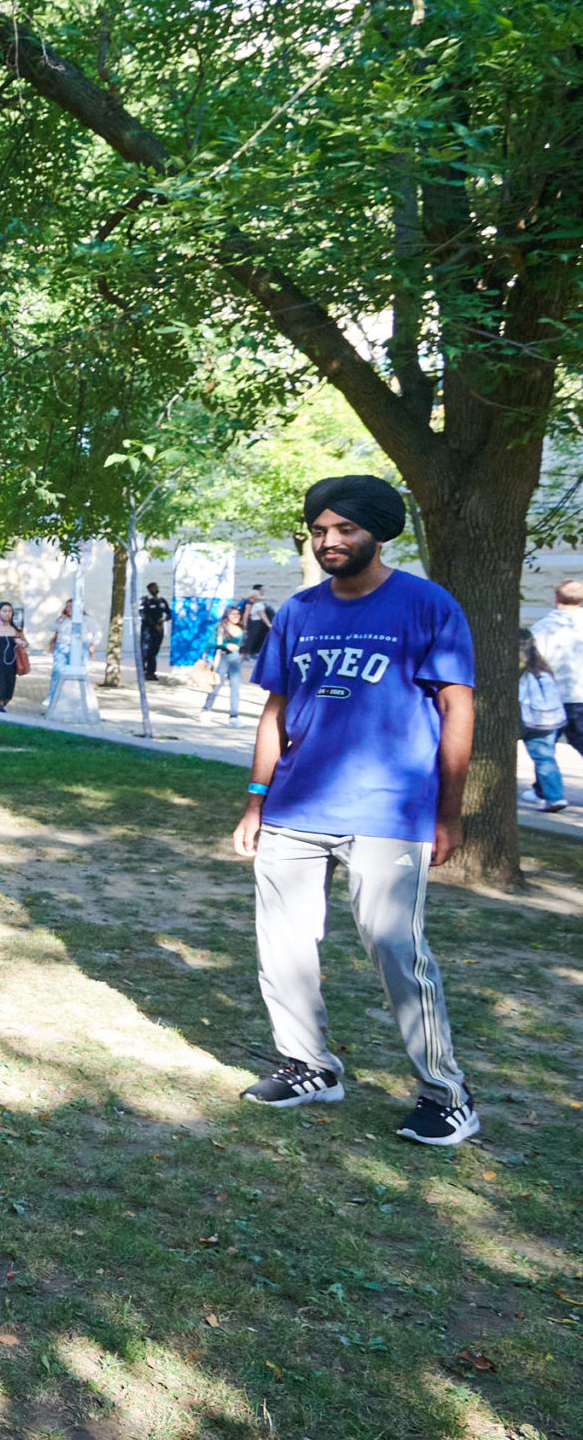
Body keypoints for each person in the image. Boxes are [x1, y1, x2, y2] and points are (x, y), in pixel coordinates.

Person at [234, 474, 479, 1148]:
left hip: (389, 811)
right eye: (319, 530)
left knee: (396, 946)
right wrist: (256, 800)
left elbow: (458, 708)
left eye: (343, 529)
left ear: (377, 532)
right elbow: (275, 711)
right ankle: (309, 1064)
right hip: (294, 805)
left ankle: (446, 1092)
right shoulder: (301, 611)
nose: (328, 541)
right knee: (281, 944)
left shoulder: (427, 605)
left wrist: (449, 813)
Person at [534, 578, 583, 763]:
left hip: (551, 696)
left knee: (544, 749)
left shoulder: (542, 628)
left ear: (556, 598)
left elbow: (535, 663)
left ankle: (544, 789)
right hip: (581, 696)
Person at [520, 628, 568, 812]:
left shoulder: (519, 673)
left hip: (529, 721)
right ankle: (553, 795)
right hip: (550, 721)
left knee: (542, 758)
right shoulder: (543, 670)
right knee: (546, 758)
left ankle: (553, 796)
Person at [42, 598, 100, 724]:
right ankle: (52, 697)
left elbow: (97, 632)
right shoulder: (64, 619)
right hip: (62, 646)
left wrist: (92, 645)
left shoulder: (86, 620)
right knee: (58, 672)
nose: (68, 608)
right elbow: (52, 627)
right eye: (67, 606)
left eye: (71, 606)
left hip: (79, 647)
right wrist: (60, 618)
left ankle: (78, 699)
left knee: (79, 671)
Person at [201, 605, 249, 724]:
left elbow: (243, 644)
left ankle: (234, 716)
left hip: (236, 660)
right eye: (233, 614)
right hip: (222, 658)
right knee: (216, 686)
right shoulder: (220, 627)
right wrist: (224, 646)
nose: (236, 617)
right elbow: (209, 644)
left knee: (235, 688)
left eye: (238, 615)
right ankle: (206, 710)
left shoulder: (241, 629)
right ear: (227, 616)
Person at [0, 601, 25, 710]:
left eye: (9, 612)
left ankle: (0, 707)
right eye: (4, 611)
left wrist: (21, 643)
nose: (7, 614)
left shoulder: (16, 630)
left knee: (8, 692)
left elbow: (26, 643)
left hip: (11, 663)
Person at [137, 584, 171, 680]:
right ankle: (142, 672)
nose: (155, 590)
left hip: (158, 630)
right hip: (148, 630)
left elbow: (169, 613)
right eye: (153, 588)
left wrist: (163, 620)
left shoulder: (161, 601)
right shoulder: (145, 600)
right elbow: (143, 615)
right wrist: (154, 625)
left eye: (156, 588)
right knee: (145, 651)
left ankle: (151, 672)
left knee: (154, 651)